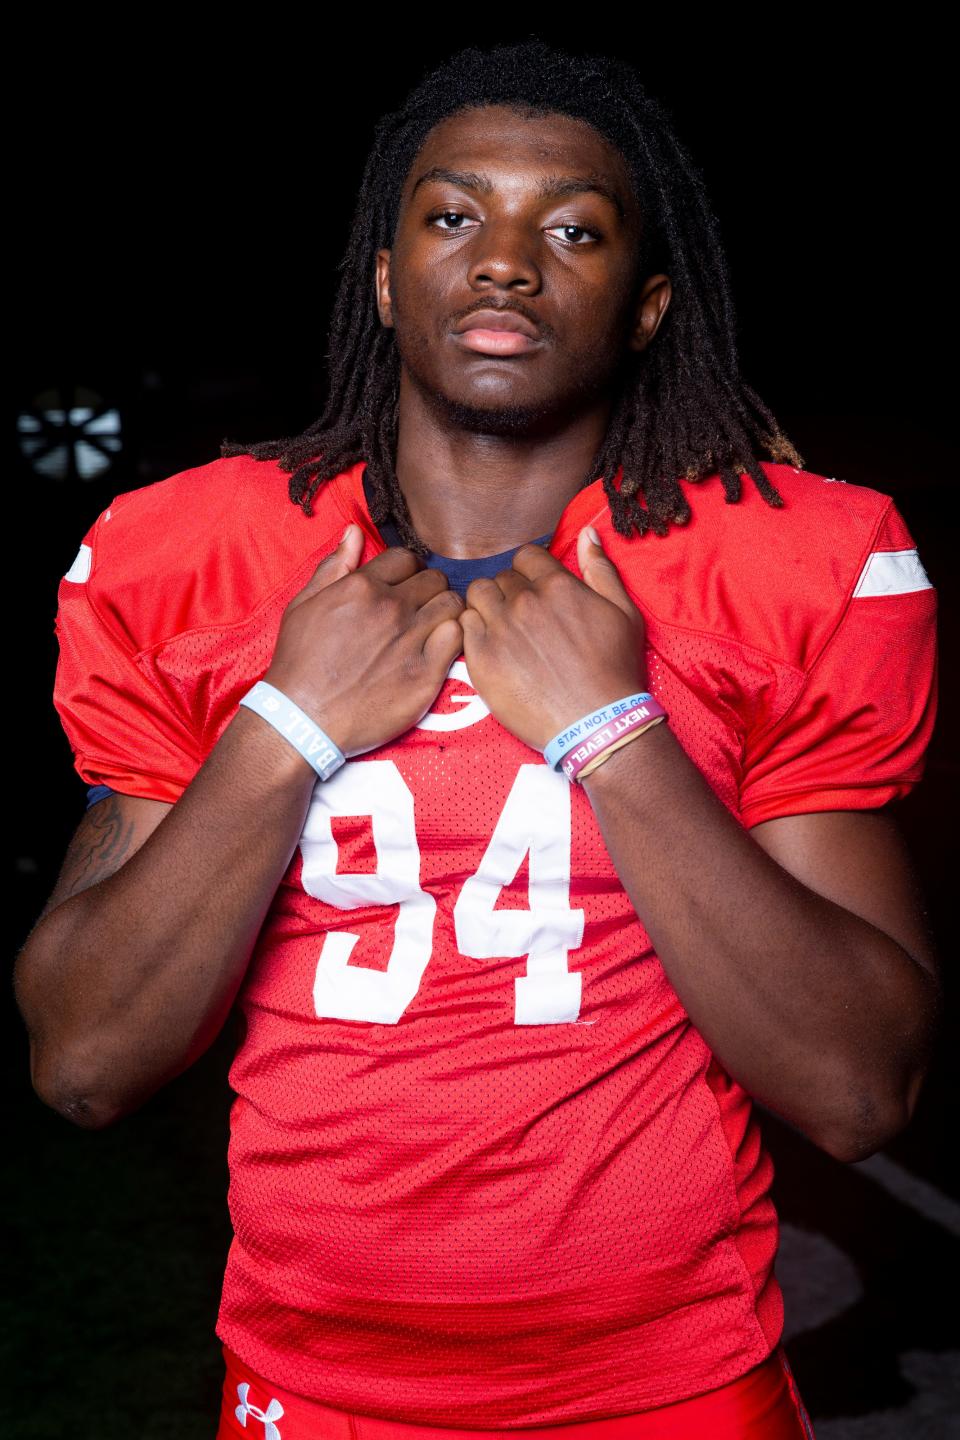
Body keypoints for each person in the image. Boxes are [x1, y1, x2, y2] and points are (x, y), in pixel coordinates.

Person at [15, 36, 941, 1440]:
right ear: (385, 280)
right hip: (312, 1391)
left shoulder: (787, 563)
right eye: (454, 216)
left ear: (644, 307)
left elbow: (860, 1086)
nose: (505, 260)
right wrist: (287, 725)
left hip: (673, 1390)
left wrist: (616, 734)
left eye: (571, 230)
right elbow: (84, 1062)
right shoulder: (190, 559)